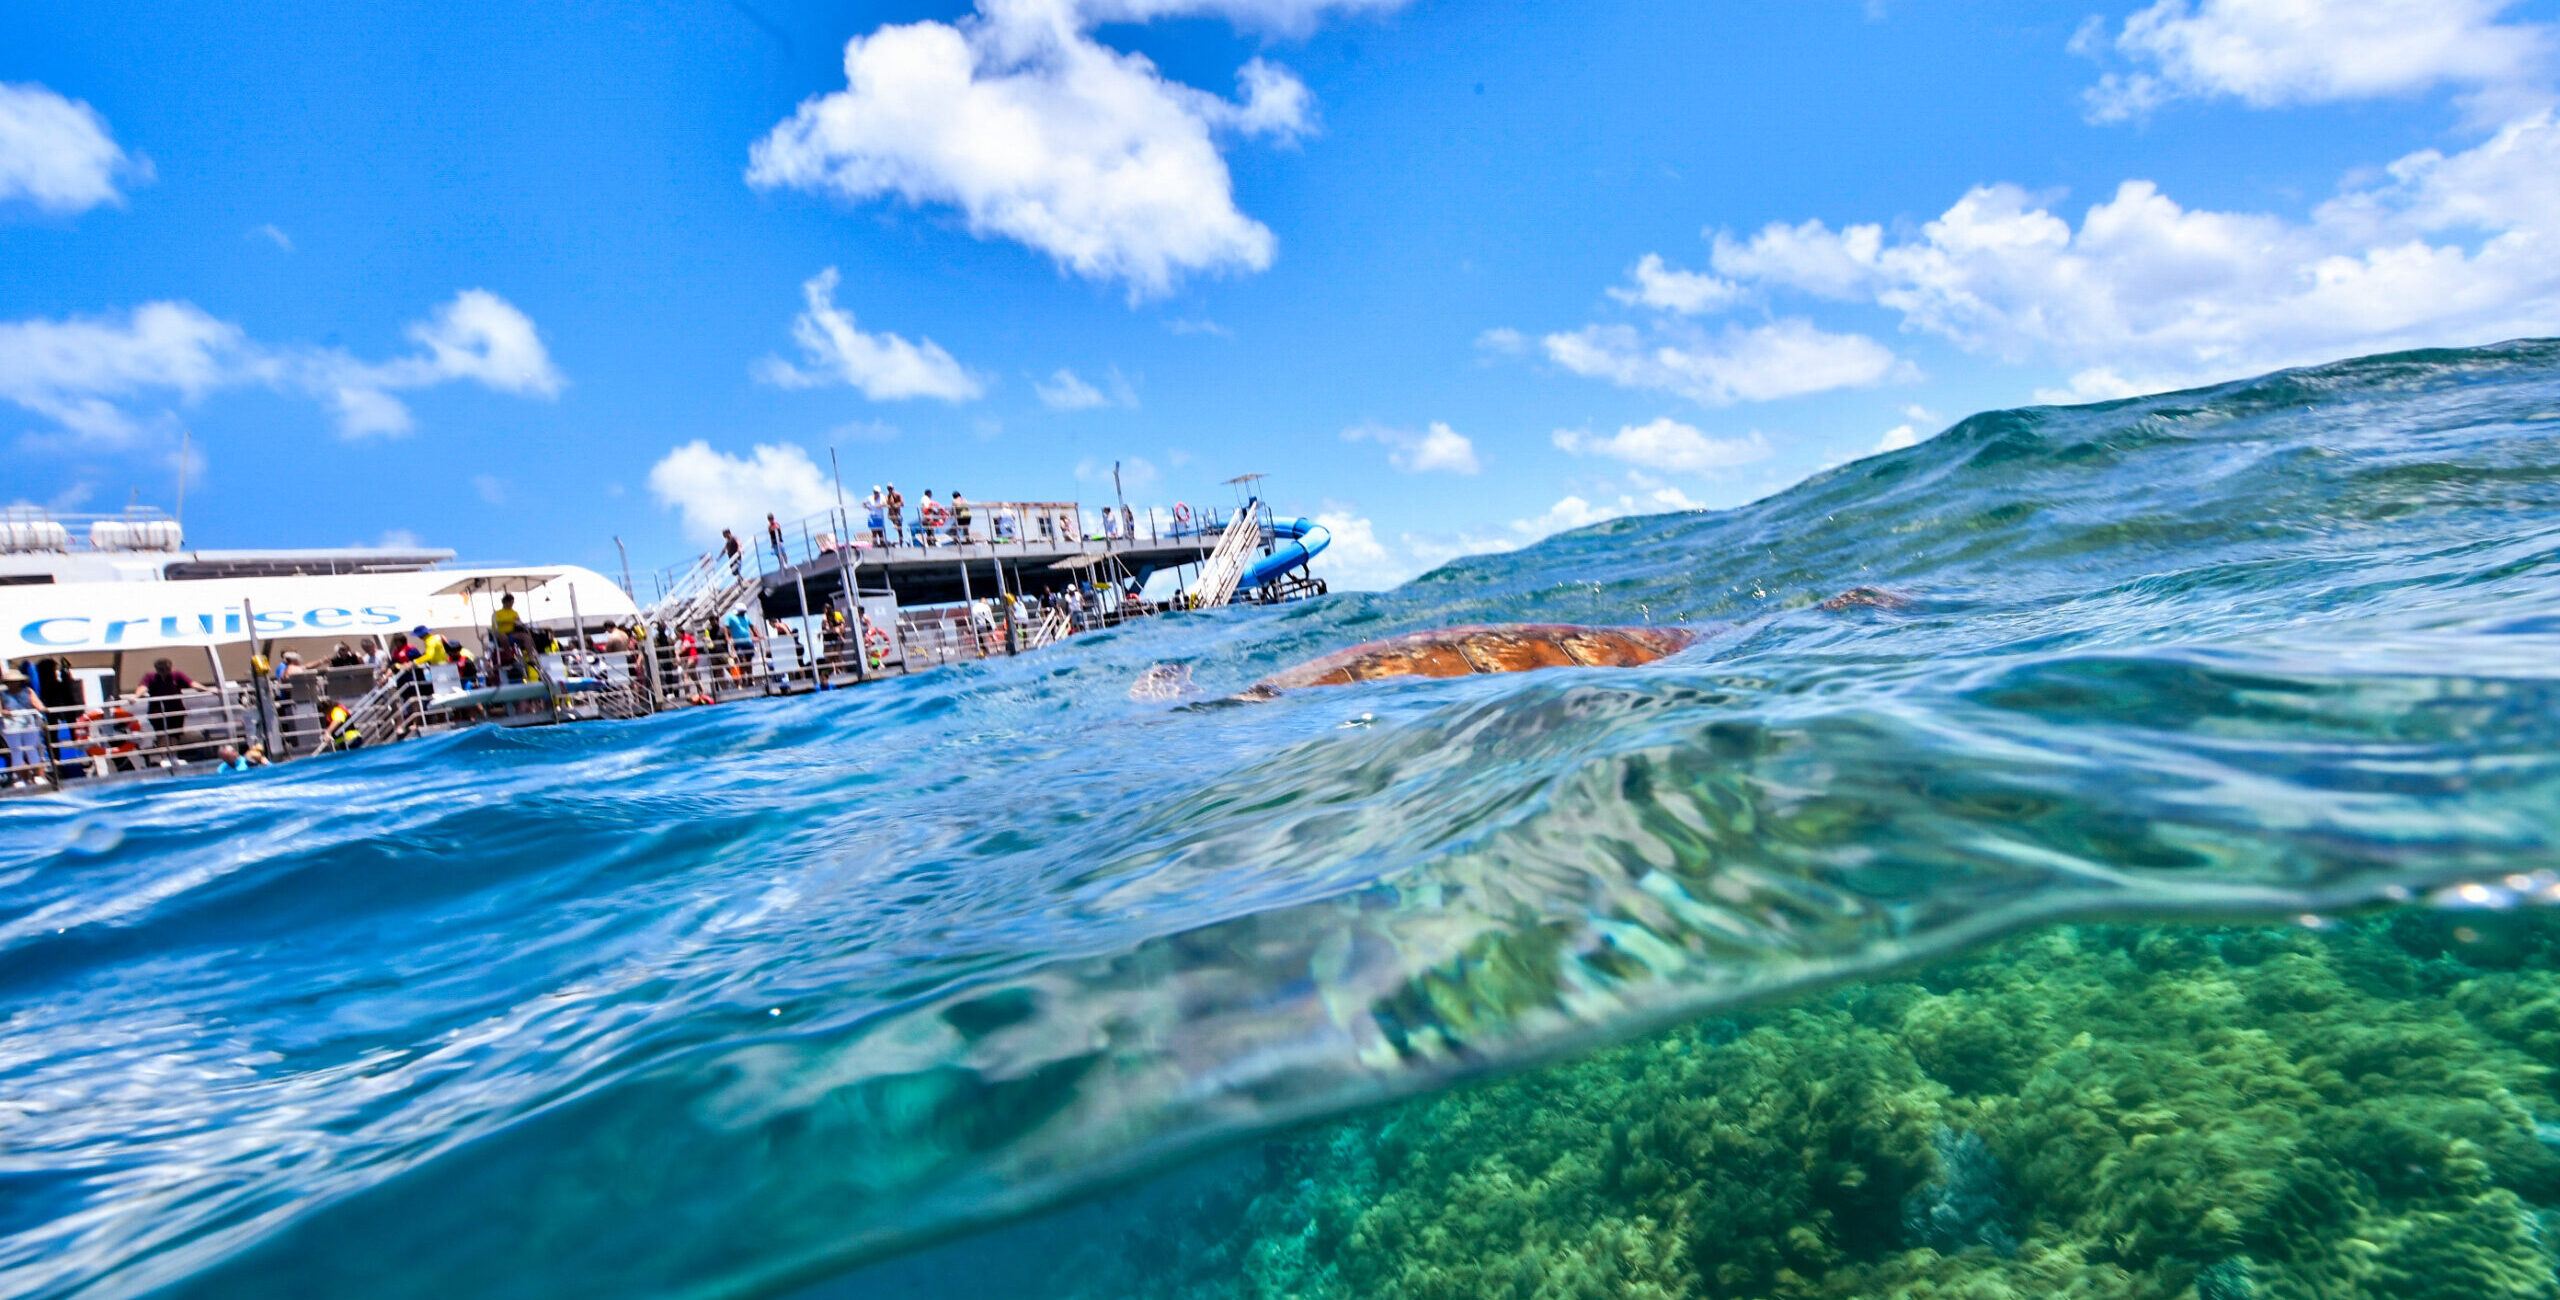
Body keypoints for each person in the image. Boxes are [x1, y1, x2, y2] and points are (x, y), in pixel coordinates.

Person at [2, 671, 45, 787]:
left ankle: (38, 776)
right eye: (10, 682)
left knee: (32, 749)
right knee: (16, 752)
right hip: (11, 726)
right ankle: (19, 778)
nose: (13, 684)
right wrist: (5, 712)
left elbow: (38, 704)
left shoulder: (28, 691)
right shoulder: (2, 694)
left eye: (15, 681)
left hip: (29, 724)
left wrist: (42, 709)